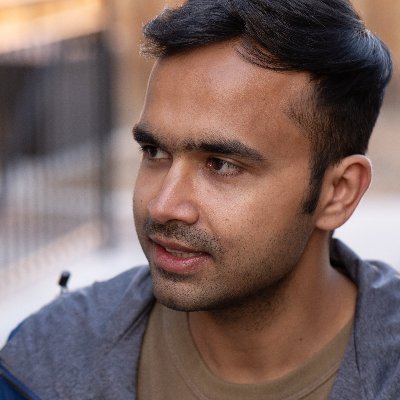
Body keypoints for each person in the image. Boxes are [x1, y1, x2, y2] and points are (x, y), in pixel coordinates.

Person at [0, 0, 396, 399]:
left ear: (338, 193)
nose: (163, 206)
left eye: (221, 165)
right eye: (155, 152)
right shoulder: (45, 361)